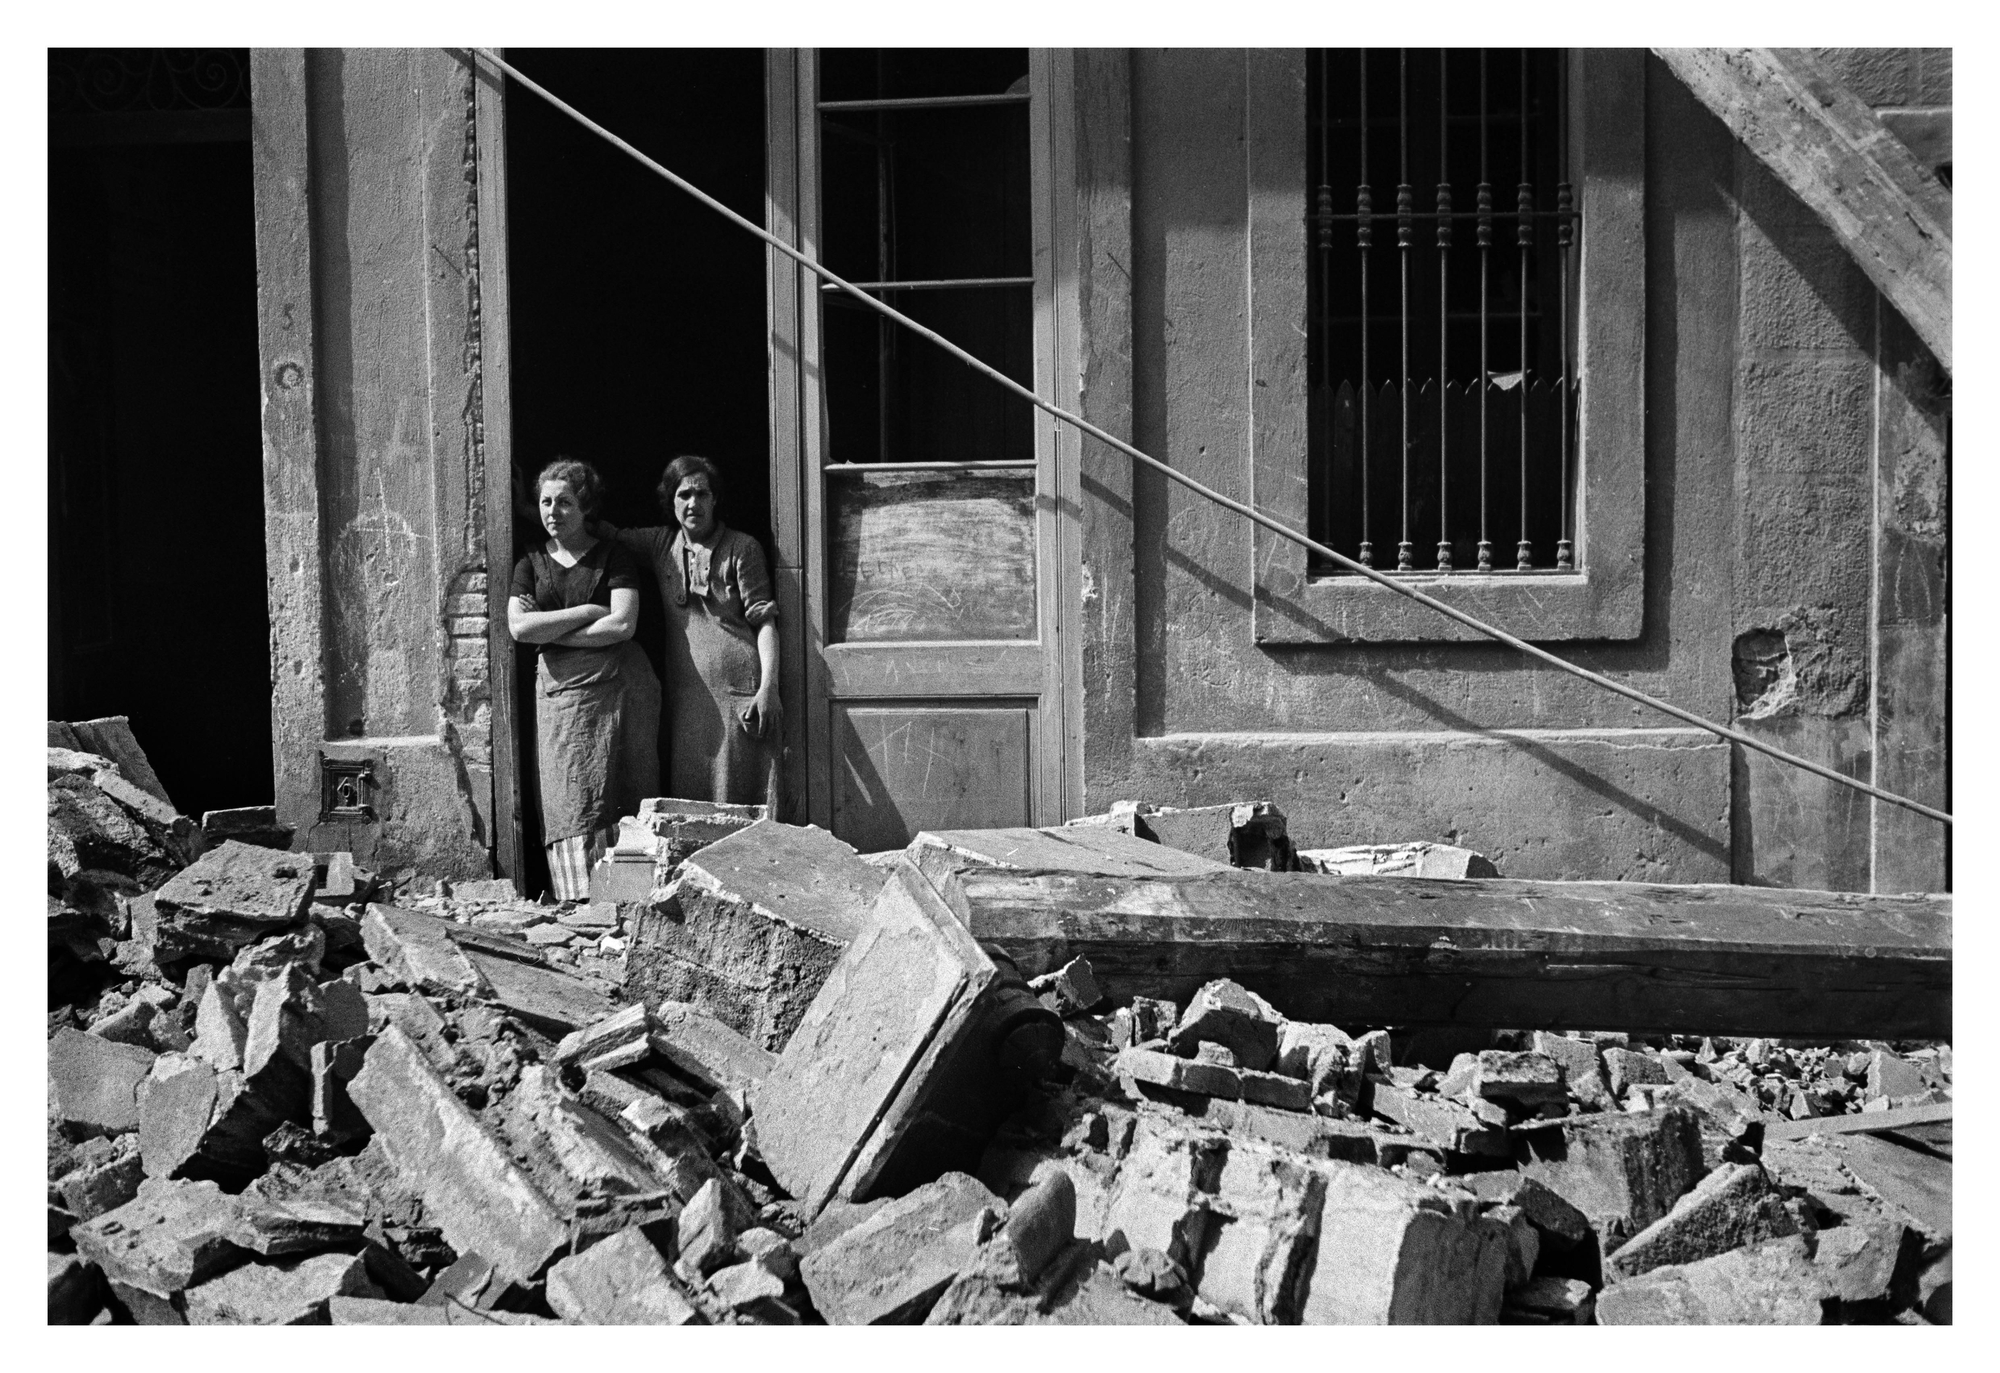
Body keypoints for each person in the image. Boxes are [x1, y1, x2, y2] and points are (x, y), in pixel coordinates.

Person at [507, 459, 661, 899]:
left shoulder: (614, 556)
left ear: (586, 507)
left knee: (622, 787)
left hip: (618, 692)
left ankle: (627, 899)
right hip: (559, 699)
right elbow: (519, 627)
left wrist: (552, 630)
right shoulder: (531, 561)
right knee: (570, 793)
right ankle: (579, 901)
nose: (552, 512)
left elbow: (623, 625)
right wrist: (589, 612)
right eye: (545, 502)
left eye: (564, 503)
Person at [601, 455, 780, 806]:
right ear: (671, 501)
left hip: (741, 692)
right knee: (694, 795)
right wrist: (531, 510)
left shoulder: (742, 548)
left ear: (715, 499)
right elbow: (599, 533)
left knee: (741, 795)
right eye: (684, 494)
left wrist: (768, 689)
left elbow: (765, 622)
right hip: (689, 700)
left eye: (702, 493)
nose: (693, 503)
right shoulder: (661, 545)